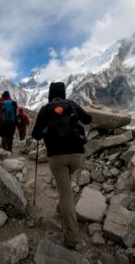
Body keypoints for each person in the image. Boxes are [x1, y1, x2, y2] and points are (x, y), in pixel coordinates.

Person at [32, 82, 92, 249]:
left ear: (50, 94)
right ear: (64, 93)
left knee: (65, 192)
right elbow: (88, 119)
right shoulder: (71, 104)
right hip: (77, 156)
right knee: (66, 187)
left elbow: (35, 135)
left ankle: (72, 237)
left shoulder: (45, 109)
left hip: (57, 158)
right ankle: (64, 208)